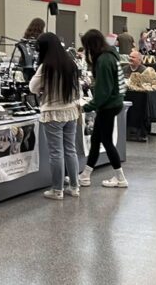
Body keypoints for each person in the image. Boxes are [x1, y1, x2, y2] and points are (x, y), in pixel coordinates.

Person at [28, 32, 81, 200]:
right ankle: (75, 187)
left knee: (56, 153)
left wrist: (43, 89)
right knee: (70, 150)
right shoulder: (71, 64)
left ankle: (57, 190)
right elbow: (77, 90)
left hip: (52, 113)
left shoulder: (46, 67)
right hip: (71, 111)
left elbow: (32, 87)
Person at [80, 29, 127, 189]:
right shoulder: (111, 55)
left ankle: (120, 178)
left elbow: (103, 92)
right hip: (113, 103)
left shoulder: (104, 60)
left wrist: (87, 107)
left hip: (108, 105)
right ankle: (85, 175)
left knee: (106, 141)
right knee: (96, 140)